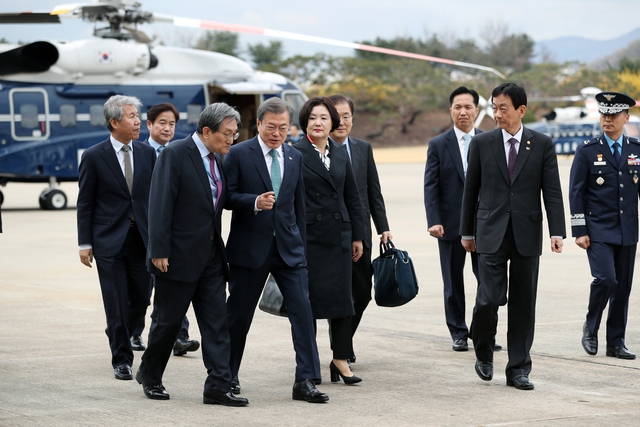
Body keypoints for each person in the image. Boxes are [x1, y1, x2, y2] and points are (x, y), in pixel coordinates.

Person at [135, 103, 248, 407]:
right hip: (177, 255)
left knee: (216, 322)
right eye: (227, 134)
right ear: (207, 131)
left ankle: (218, 385)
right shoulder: (176, 154)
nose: (231, 140)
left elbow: (217, 202)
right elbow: (159, 203)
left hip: (211, 256)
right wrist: (158, 249)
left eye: (235, 135)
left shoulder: (217, 160)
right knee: (167, 323)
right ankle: (150, 373)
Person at [460, 82, 566, 390]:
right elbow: (471, 191)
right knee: (488, 298)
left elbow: (553, 191)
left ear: (521, 110)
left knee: (523, 303)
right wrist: (466, 231)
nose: (496, 114)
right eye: (493, 108)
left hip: (527, 233)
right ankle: (482, 351)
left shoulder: (542, 143)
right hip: (489, 232)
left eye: (502, 108)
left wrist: (557, 230)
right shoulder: (482, 144)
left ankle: (518, 369)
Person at [223, 97, 328, 403]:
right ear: (258, 124)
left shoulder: (294, 157)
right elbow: (226, 197)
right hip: (249, 250)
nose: (277, 133)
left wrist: (302, 250)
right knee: (238, 317)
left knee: (303, 313)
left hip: (290, 251)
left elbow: (298, 208)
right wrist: (253, 202)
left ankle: (305, 380)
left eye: (283, 128)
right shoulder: (239, 153)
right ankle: (226, 375)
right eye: (271, 127)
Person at [76, 95, 156, 381]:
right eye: (132, 116)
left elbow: (153, 199)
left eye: (138, 116)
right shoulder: (94, 156)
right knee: (116, 301)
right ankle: (122, 359)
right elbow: (85, 202)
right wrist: (85, 243)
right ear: (114, 122)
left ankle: (118, 329)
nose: (138, 121)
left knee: (141, 300)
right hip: (108, 241)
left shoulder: (147, 153)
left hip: (142, 240)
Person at [293, 96, 366, 384]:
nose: (318, 123)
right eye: (312, 118)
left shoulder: (339, 153)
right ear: (305, 123)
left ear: (333, 122)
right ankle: (310, 366)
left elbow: (352, 197)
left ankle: (340, 359)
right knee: (307, 305)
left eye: (324, 118)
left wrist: (357, 235)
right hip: (308, 239)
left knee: (342, 301)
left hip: (339, 237)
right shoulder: (295, 153)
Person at [424, 86, 502, 353]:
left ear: (477, 111)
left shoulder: (491, 140)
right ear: (450, 111)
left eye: (468, 107)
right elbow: (431, 186)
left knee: (488, 282)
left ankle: (485, 332)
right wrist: (433, 220)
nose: (463, 112)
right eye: (457, 107)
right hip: (449, 224)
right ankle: (458, 332)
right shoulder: (438, 144)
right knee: (453, 282)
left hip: (486, 225)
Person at [570, 91, 638, 360]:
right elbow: (576, 192)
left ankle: (616, 341)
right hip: (597, 228)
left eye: (613, 114)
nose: (607, 119)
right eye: (603, 114)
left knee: (622, 287)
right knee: (606, 279)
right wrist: (579, 230)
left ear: (626, 117)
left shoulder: (636, 149)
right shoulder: (587, 150)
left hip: (628, 229)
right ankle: (591, 325)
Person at [130, 102, 200, 358]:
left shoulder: (181, 152)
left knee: (174, 288)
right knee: (142, 291)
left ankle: (179, 337)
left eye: (172, 124)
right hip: (142, 232)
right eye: (162, 123)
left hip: (174, 234)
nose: (168, 128)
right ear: (149, 125)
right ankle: (133, 331)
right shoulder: (138, 153)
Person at [328, 94, 392, 363]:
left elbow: (372, 191)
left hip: (361, 232)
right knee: (338, 293)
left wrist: (383, 227)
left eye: (346, 116)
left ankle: (342, 342)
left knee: (363, 292)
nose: (341, 121)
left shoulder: (363, 148)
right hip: (331, 234)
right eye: (336, 116)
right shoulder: (317, 150)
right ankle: (342, 350)